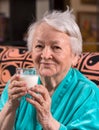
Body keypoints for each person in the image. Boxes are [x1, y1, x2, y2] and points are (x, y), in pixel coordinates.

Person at [0, 7, 99, 130]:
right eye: (39, 46)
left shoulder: (89, 95)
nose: (45, 55)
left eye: (56, 47)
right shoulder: (18, 83)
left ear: (75, 57)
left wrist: (49, 122)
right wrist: (11, 106)